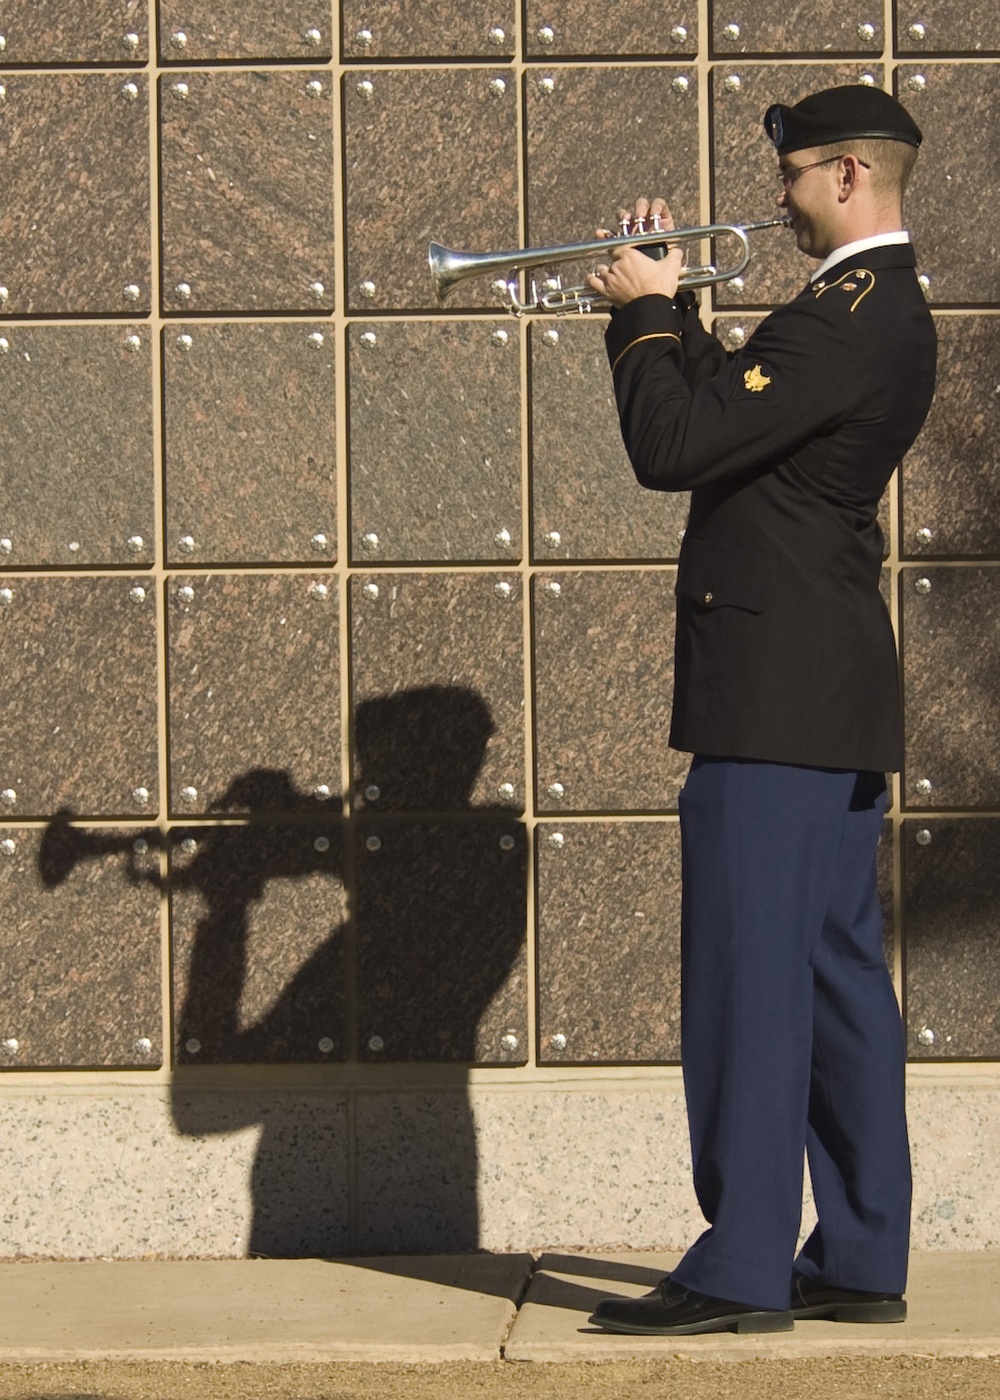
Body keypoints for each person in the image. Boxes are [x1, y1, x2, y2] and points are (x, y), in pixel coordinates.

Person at [585, 85, 937, 1336]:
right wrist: (673, 311)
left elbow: (674, 444)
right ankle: (857, 1251)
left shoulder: (843, 318)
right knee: (837, 975)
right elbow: (736, 427)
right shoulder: (863, 312)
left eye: (791, 174)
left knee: (749, 973)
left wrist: (641, 319)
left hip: (774, 693)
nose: (776, 194)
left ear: (847, 175)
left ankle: (738, 1266)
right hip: (822, 689)